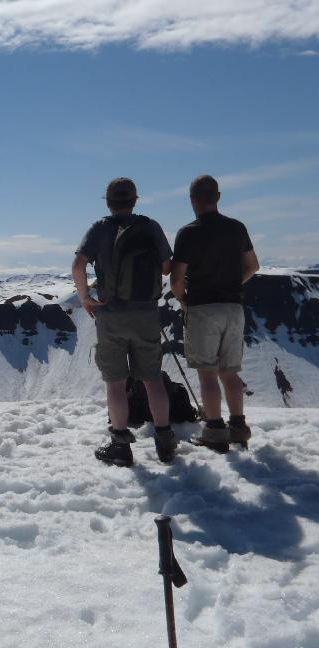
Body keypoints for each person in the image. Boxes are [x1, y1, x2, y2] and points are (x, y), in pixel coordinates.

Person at [72, 177, 176, 467]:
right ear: (135, 200)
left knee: (116, 384)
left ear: (107, 202)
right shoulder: (150, 226)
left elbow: (78, 265)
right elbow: (167, 266)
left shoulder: (100, 228)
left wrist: (86, 299)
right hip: (145, 312)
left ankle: (120, 445)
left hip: (111, 314)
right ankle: (165, 442)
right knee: (152, 379)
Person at [170, 174, 260, 452]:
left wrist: (185, 299)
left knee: (208, 374)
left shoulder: (188, 232)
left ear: (193, 201)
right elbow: (253, 266)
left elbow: (176, 280)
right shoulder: (237, 228)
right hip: (233, 308)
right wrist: (233, 285)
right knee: (230, 373)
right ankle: (238, 428)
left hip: (202, 308)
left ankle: (214, 432)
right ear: (218, 197)